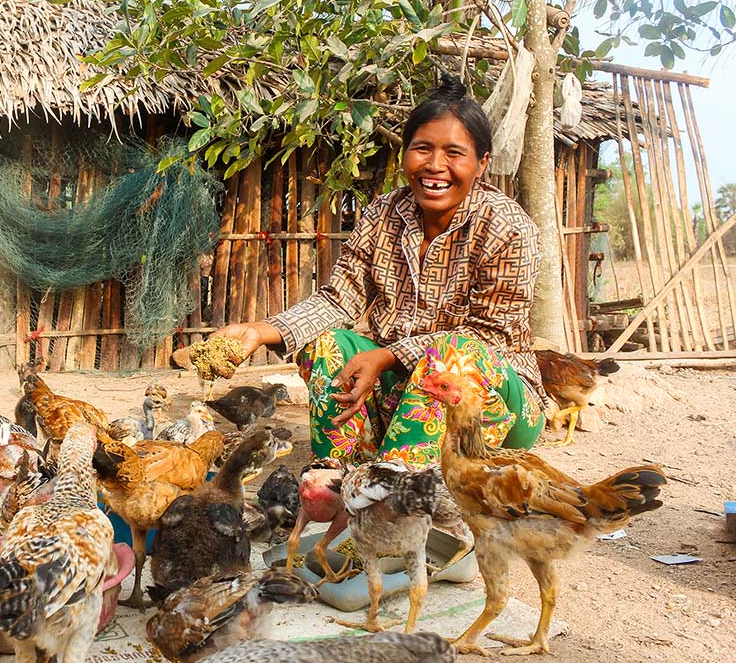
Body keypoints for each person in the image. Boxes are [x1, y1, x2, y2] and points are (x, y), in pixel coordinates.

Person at [213, 76, 547, 467]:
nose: (435, 166)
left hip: (489, 405)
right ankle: (337, 478)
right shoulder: (385, 212)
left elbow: (487, 337)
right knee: (329, 346)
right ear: (406, 153)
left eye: (454, 153)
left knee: (453, 356)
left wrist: (387, 356)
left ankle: (396, 491)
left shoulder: (507, 227)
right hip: (402, 396)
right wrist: (258, 331)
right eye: (422, 149)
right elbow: (340, 298)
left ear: (482, 163)